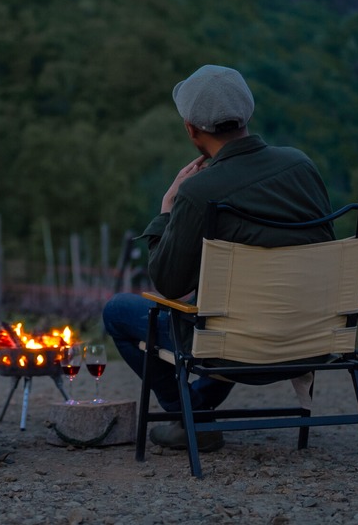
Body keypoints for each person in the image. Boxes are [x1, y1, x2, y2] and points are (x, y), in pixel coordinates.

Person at [103, 64, 334, 452]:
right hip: (309, 342)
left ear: (191, 129)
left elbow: (169, 284)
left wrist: (167, 209)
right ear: (246, 115)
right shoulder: (302, 166)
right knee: (221, 308)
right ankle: (197, 411)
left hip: (235, 352)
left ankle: (189, 414)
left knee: (118, 312)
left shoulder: (199, 192)